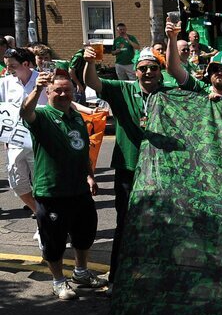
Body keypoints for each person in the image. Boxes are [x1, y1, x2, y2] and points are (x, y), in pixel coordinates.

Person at [83, 42, 172, 286]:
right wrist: (90, 62)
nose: (148, 72)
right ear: (135, 71)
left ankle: (158, 277)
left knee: (162, 222)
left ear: (159, 71)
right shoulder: (122, 89)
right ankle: (116, 277)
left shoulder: (169, 93)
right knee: (124, 222)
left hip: (160, 170)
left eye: (153, 68)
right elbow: (92, 82)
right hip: (128, 167)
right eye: (143, 68)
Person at [20, 71, 104, 300]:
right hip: (52, 191)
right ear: (48, 93)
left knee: (84, 234)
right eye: (57, 90)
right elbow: (25, 113)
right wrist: (36, 89)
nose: (63, 94)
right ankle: (58, 281)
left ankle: (81, 272)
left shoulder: (76, 116)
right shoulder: (42, 115)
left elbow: (83, 150)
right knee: (54, 241)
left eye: (67, 90)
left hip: (79, 189)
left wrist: (90, 176)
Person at [1, 48, 44, 219]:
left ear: (26, 64)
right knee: (17, 183)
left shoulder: (42, 79)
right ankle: (40, 213)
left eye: (12, 66)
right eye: (6, 66)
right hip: (15, 141)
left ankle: (46, 224)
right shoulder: (5, 83)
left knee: (40, 183)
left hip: (38, 140)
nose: (8, 70)